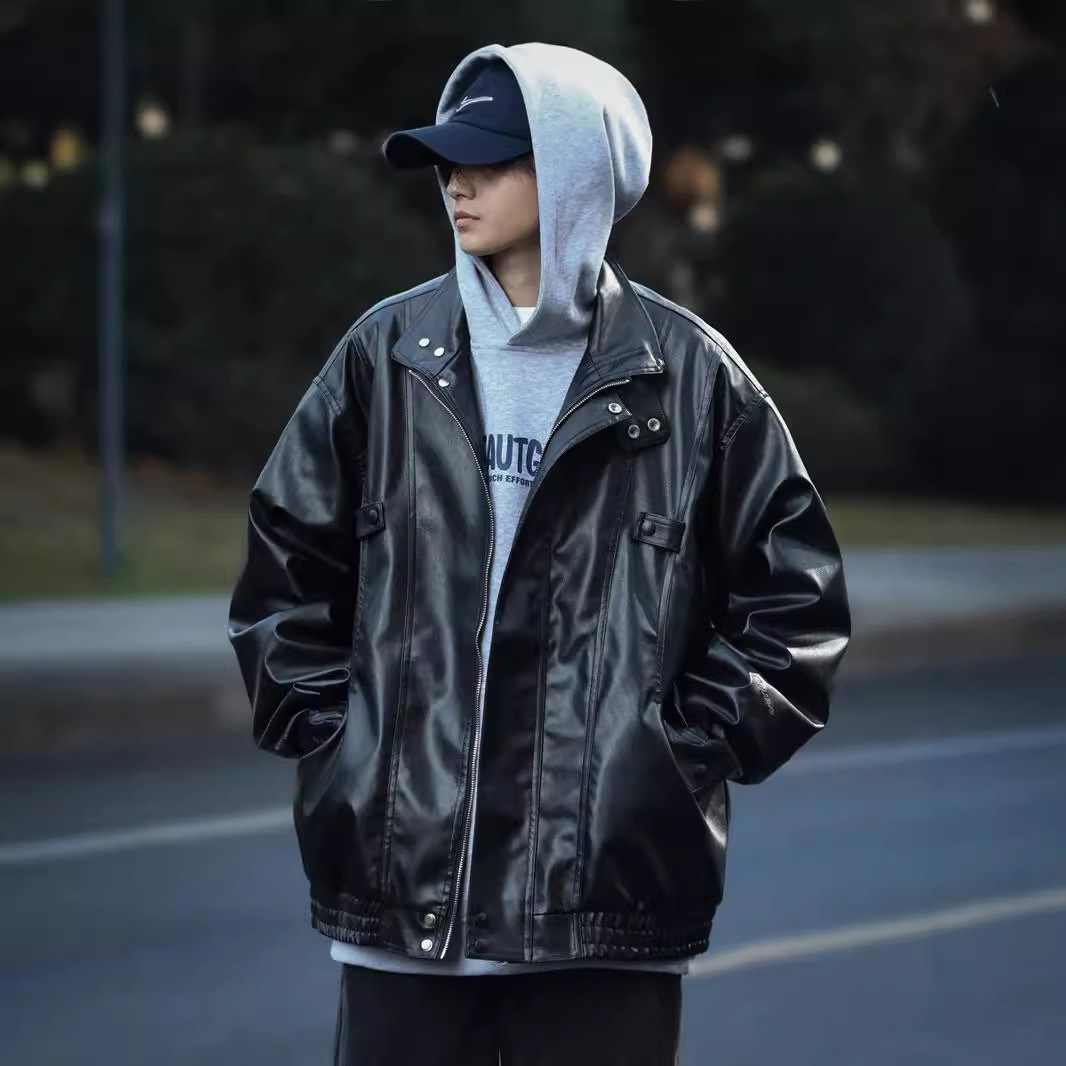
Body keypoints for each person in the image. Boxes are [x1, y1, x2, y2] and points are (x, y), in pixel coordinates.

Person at [228, 42, 851, 1066]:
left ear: (573, 172)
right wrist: (346, 744)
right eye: (447, 158)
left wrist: (668, 757)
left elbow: (798, 605)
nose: (456, 181)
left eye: (490, 157)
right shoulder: (384, 358)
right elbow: (283, 569)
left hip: (603, 924)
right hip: (401, 916)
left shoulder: (691, 379)